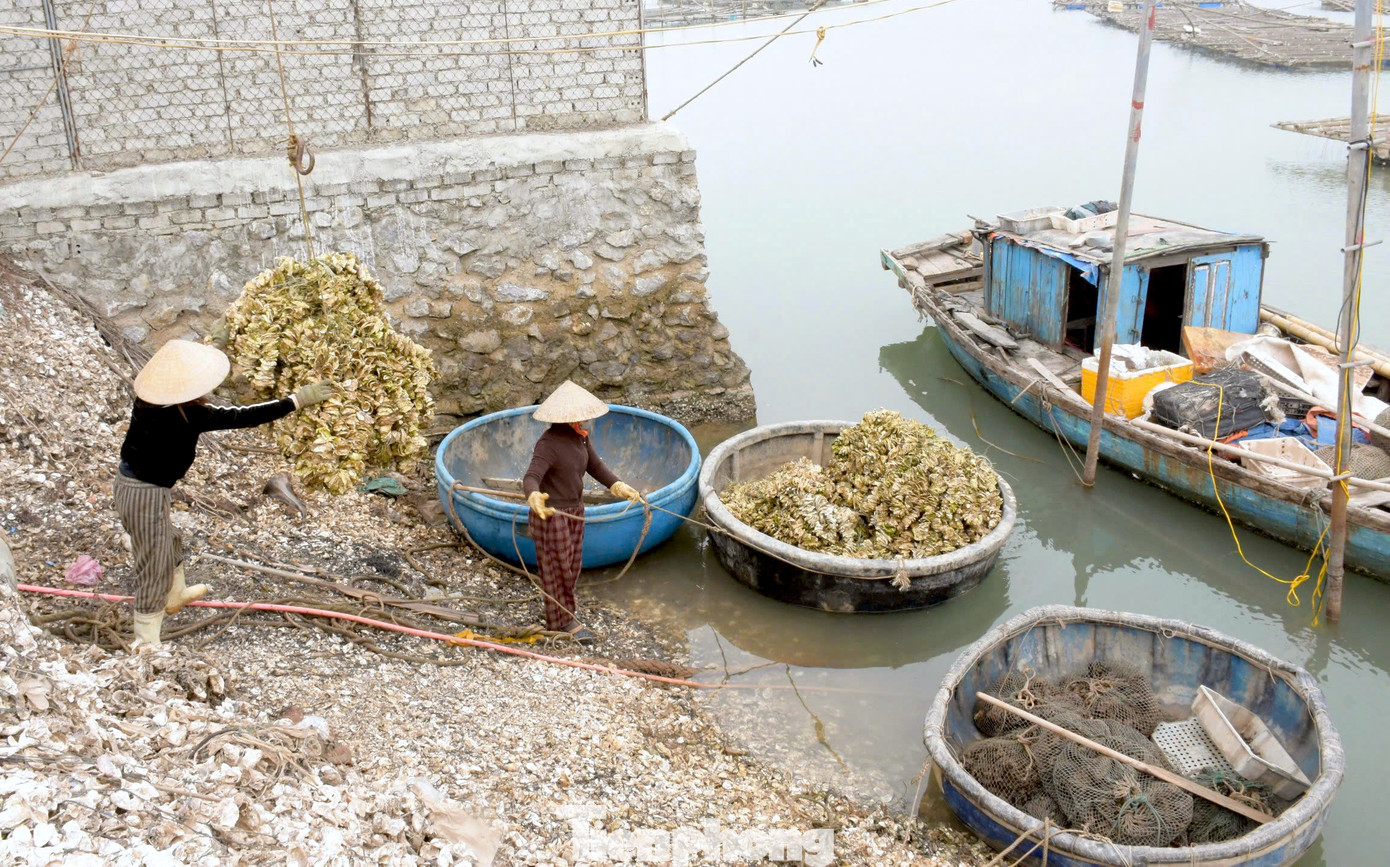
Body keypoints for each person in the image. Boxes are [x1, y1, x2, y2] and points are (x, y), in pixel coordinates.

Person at [115, 339, 333, 650]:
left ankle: (176, 594)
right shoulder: (183, 416)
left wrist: (209, 342)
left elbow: (186, 375)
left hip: (135, 486)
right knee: (153, 563)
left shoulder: (149, 400)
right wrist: (295, 401)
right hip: (143, 493)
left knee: (167, 540)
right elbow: (243, 416)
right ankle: (146, 640)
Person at [522, 381, 642, 644]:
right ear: (568, 416)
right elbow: (531, 476)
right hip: (551, 515)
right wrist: (534, 496)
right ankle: (561, 622)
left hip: (575, 511)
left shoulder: (580, 438)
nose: (586, 418)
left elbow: (596, 466)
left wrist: (618, 485)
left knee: (573, 564)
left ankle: (566, 610)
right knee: (557, 569)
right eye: (582, 414)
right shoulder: (549, 443)